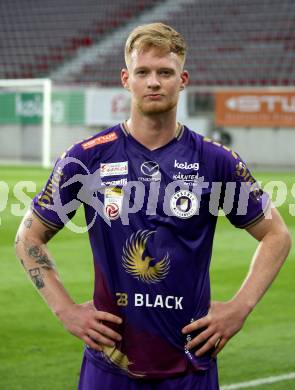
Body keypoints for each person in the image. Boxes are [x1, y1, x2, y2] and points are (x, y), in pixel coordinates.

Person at [15, 23, 291, 390]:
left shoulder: (215, 161)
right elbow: (29, 235)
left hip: (191, 363)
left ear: (183, 79)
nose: (154, 82)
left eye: (165, 72)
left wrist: (240, 308)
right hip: (111, 362)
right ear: (126, 79)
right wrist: (64, 309)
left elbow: (276, 234)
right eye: (143, 72)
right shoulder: (87, 158)